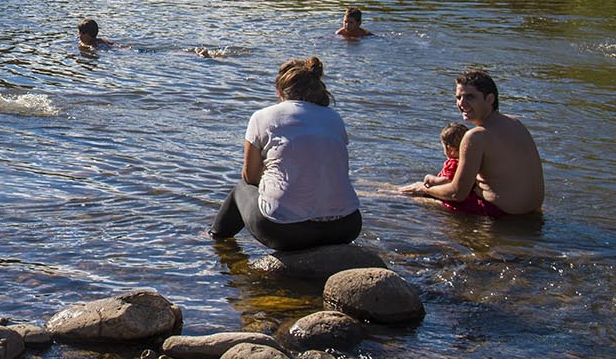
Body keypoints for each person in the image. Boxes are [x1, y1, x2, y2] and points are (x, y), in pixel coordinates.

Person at [210, 57, 362, 250]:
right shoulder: (334, 118)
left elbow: (250, 176)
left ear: (280, 91)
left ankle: (217, 240)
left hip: (286, 231)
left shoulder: (262, 116)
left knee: (241, 189)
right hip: (346, 227)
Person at [399, 71, 544, 216]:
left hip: (501, 215)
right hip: (532, 212)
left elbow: (457, 193)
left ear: (490, 99)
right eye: (458, 97)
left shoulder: (476, 136)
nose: (461, 103)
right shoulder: (515, 123)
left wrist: (424, 189)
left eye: (470, 97)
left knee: (404, 197)